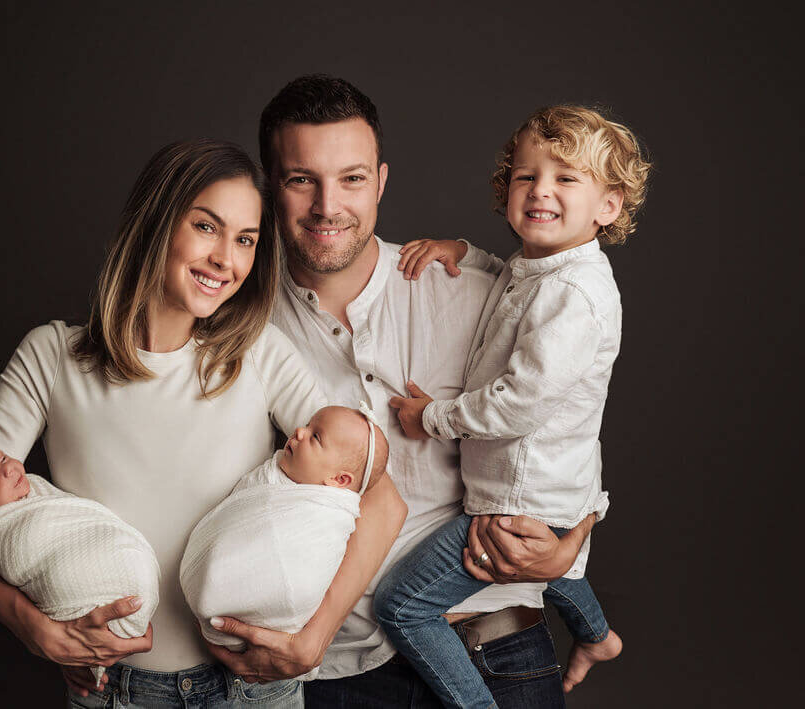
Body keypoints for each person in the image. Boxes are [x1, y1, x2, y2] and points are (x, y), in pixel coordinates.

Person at [0, 138, 407, 708]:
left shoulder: (258, 352)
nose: (226, 259)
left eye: (246, 240)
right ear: (156, 222)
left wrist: (314, 637)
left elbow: (381, 498)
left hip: (252, 690)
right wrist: (28, 626)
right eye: (207, 227)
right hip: (117, 692)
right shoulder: (51, 355)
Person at [234, 74, 594, 708]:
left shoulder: (468, 292)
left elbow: (562, 420)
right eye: (300, 180)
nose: (326, 206)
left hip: (494, 648)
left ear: (380, 180)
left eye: (350, 178)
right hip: (337, 672)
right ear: (271, 188)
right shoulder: (236, 327)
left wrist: (570, 542)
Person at [379, 104, 650, 707]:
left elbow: (518, 404)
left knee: (402, 606)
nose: (540, 191)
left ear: (609, 205)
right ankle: (597, 636)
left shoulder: (576, 296)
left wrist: (432, 417)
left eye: (565, 178)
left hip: (522, 499)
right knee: (547, 563)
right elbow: (512, 275)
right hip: (550, 487)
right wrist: (464, 252)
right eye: (526, 177)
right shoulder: (546, 268)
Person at [0, 438, 161, 676]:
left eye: (3, 457)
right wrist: (36, 628)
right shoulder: (0, 528)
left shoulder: (25, 486)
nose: (9, 468)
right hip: (110, 671)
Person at [182, 404, 390, 660]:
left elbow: (301, 578)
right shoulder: (277, 475)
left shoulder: (326, 519)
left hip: (268, 636)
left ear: (340, 480)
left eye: (315, 437)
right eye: (308, 424)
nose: (300, 431)